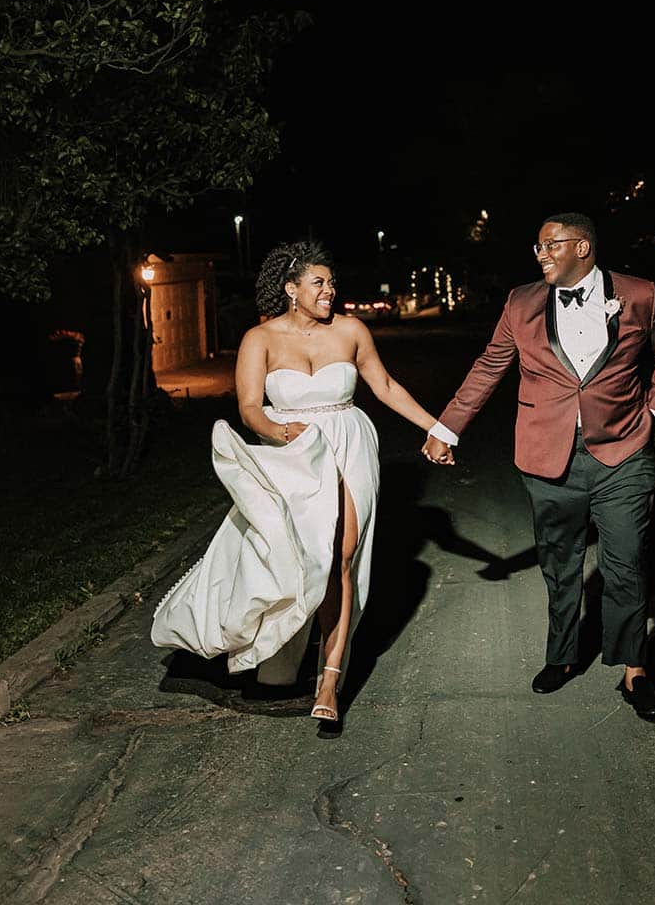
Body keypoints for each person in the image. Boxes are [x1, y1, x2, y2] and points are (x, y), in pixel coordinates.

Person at [152, 240, 448, 736]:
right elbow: (249, 407)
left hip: (348, 444)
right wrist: (280, 432)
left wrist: (434, 428)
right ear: (292, 289)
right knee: (298, 557)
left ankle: (329, 681)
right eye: (319, 283)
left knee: (342, 558)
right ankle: (280, 645)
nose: (330, 291)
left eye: (332, 283)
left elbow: (387, 386)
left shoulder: (351, 331)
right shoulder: (259, 339)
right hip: (292, 454)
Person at [422, 212, 655, 723]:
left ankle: (635, 669)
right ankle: (562, 657)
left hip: (623, 453)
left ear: (582, 247)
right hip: (548, 457)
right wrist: (446, 428)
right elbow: (489, 366)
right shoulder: (521, 303)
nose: (539, 254)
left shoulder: (639, 294)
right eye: (537, 246)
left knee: (626, 562)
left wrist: (654, 410)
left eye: (549, 245)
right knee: (559, 563)